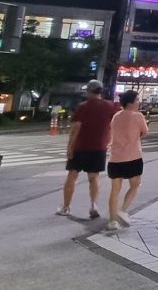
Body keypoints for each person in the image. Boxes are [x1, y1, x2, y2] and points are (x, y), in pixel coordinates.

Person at [58, 80, 119, 219]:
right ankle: (93, 205)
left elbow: (76, 128)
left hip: (80, 146)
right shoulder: (110, 106)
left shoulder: (83, 106)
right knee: (94, 176)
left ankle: (66, 207)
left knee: (72, 175)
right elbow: (112, 126)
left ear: (90, 91)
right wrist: (109, 140)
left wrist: (70, 146)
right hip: (99, 146)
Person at [105, 90, 149, 231]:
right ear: (130, 103)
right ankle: (122, 211)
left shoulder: (116, 116)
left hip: (115, 158)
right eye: (137, 100)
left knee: (115, 189)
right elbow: (145, 131)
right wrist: (134, 137)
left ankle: (112, 221)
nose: (138, 103)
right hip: (133, 157)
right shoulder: (138, 116)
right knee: (135, 184)